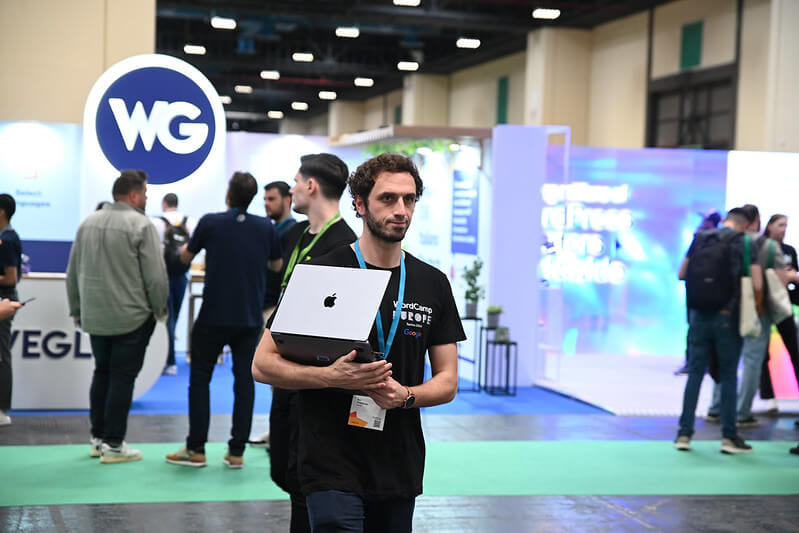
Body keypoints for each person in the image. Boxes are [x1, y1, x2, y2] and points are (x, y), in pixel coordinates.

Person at [253, 153, 466, 533]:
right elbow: (263, 364)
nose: (401, 209)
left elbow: (448, 379)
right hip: (328, 457)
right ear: (359, 204)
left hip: (397, 461)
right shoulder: (320, 273)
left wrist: (406, 396)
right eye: (388, 198)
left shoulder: (431, 283)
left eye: (409, 199)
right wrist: (332, 377)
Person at [253, 154, 357, 533]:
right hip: (284, 369)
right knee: (282, 467)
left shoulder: (345, 244)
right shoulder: (295, 234)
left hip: (316, 379)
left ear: (311, 186)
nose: (292, 188)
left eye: (296, 181)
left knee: (303, 476)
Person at [166, 172, 282, 469]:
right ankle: (236, 452)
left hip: (213, 317)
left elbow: (184, 258)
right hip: (249, 317)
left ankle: (196, 449)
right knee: (244, 381)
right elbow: (276, 265)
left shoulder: (210, 222)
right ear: (253, 196)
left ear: (229, 194)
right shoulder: (265, 227)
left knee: (199, 380)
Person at [66, 170, 168, 462]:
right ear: (134, 195)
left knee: (102, 373)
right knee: (122, 379)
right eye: (146, 193)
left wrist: (77, 309)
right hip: (132, 318)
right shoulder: (141, 225)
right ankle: (113, 444)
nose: (147, 199)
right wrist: (159, 309)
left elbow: (72, 273)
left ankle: (98, 438)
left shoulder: (88, 222)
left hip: (95, 316)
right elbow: (156, 278)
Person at [675, 207, 761, 454]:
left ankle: (684, 434)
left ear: (726, 221)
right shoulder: (745, 243)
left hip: (699, 316)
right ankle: (729, 437)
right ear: (746, 225)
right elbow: (755, 283)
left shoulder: (701, 238)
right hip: (728, 317)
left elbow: (682, 273)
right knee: (728, 375)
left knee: (695, 374)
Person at [705, 207, 790, 427]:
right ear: (757, 221)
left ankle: (716, 408)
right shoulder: (768, 246)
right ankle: (742, 412)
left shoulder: (728, 241)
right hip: (758, 310)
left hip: (729, 307)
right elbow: (778, 283)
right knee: (753, 361)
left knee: (726, 359)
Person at [151, 193, 197, 376]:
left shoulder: (157, 222)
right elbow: (196, 246)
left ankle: (168, 361)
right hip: (182, 274)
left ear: (164, 204)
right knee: (175, 316)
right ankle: (168, 356)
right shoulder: (189, 222)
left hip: (163, 275)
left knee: (167, 317)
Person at [758, 214, 799, 413]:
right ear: (770, 226)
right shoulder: (762, 247)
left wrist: (791, 278)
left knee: (794, 350)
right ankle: (768, 397)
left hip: (784, 304)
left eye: (786, 225)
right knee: (762, 353)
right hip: (765, 306)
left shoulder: (789, 251)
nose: (784, 229)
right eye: (780, 225)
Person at [0, 194, 22, 427]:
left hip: (4, 301)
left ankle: (1, 409)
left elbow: (11, 278)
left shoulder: (7, 239)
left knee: (1, 355)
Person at [263, 181, 297, 314]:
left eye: (271, 199)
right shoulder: (271, 230)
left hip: (275, 306)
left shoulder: (293, 231)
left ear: (287, 200)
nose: (266, 203)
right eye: (265, 199)